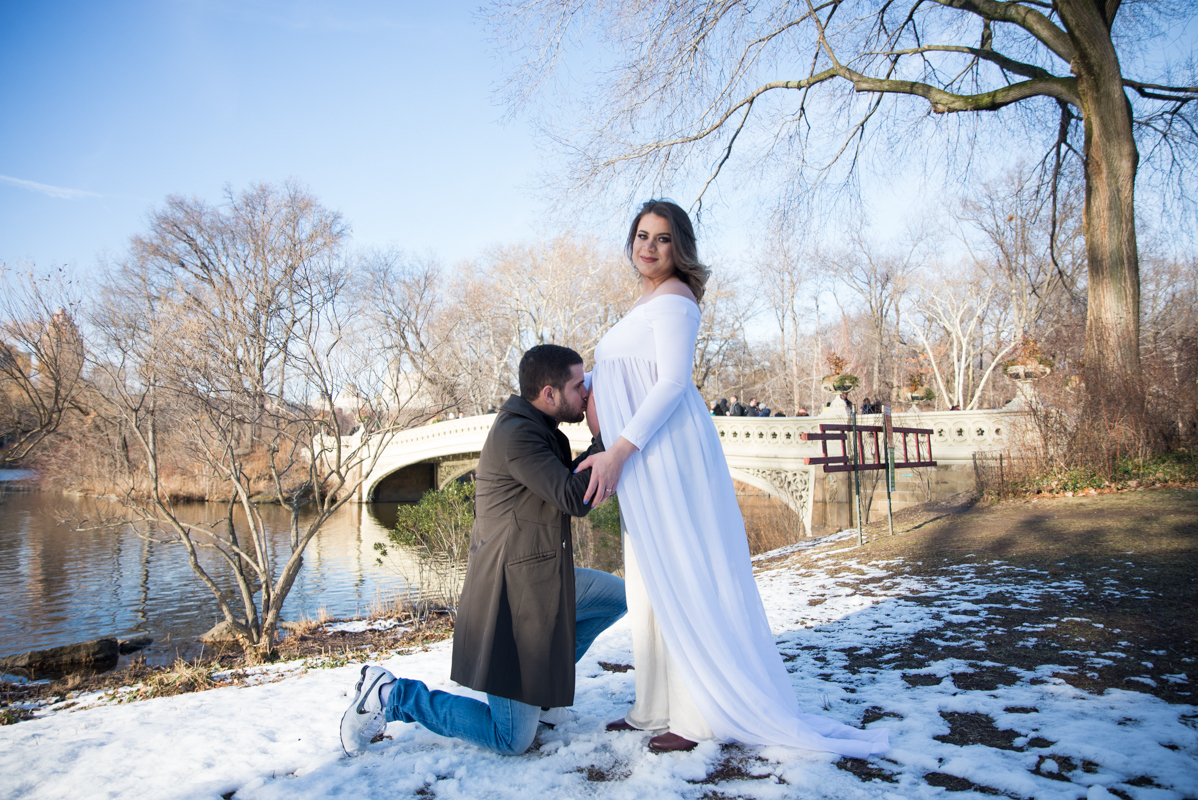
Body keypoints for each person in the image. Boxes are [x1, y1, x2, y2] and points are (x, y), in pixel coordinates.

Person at [577, 200, 888, 757]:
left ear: (680, 247)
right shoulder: (644, 303)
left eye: (662, 238)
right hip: (642, 456)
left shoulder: (675, 300)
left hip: (664, 451)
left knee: (684, 570)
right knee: (650, 576)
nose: (649, 246)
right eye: (642, 235)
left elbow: (672, 384)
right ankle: (654, 704)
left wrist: (618, 451)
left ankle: (698, 715)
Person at [340, 345, 627, 757]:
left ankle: (542, 698)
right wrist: (605, 440)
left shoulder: (540, 429)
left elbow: (562, 484)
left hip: (541, 578)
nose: (587, 392)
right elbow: (573, 497)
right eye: (579, 385)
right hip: (510, 599)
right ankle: (390, 695)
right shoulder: (518, 435)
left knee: (617, 598)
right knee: (511, 739)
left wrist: (603, 447)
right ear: (549, 394)